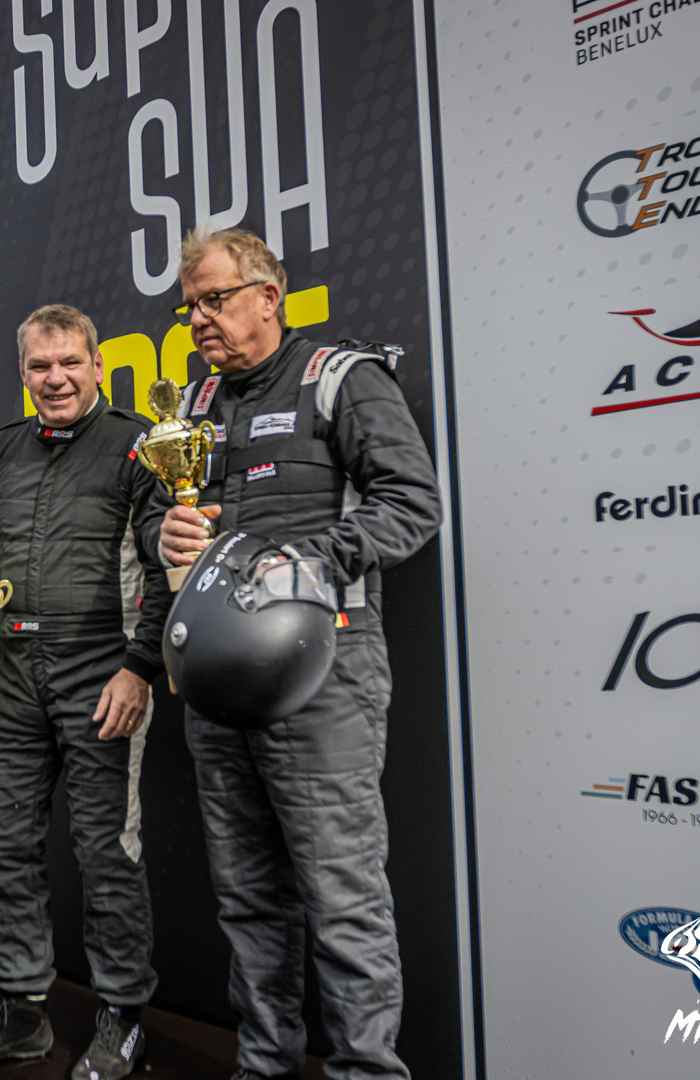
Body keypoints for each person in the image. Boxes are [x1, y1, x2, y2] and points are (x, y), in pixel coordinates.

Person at [155, 228, 442, 1080]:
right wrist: (165, 535)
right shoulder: (195, 405)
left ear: (268, 296)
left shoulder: (341, 379)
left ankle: (366, 1071)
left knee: (342, 897)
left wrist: (304, 560)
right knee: (247, 896)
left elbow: (412, 503)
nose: (200, 319)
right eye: (190, 307)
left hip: (325, 675)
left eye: (215, 299)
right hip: (217, 677)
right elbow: (165, 522)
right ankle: (264, 1065)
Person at [0, 305, 173, 1080]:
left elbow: (167, 569)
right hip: (10, 671)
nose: (56, 378)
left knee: (106, 851)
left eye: (70, 362)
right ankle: (22, 1013)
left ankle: (123, 1016)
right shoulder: (0, 450)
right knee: (3, 843)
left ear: (98, 366)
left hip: (102, 667)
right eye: (41, 366)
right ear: (23, 373)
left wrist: (139, 667)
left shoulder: (137, 445)